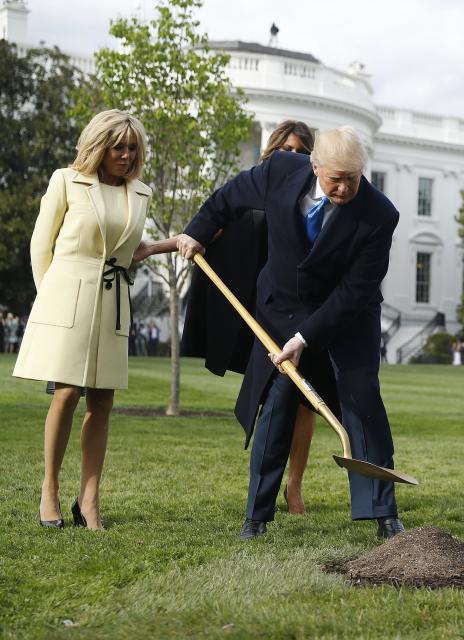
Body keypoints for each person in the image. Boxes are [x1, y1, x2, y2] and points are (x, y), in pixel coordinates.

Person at [176, 125, 405, 541]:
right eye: (335, 178)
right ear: (314, 165)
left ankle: (383, 513)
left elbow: (355, 292)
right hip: (281, 310)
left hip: (347, 318)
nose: (344, 187)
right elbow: (228, 197)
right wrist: (197, 230)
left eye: (353, 178)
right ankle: (256, 516)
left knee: (361, 399)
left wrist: (306, 338)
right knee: (278, 403)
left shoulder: (379, 214)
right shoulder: (280, 170)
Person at [12, 109, 161, 530]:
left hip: (114, 301)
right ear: (99, 145)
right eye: (118, 147)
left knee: (103, 401)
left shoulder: (141, 193)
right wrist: (53, 302)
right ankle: (49, 490)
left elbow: (129, 250)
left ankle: (89, 500)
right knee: (67, 393)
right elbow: (41, 247)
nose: (127, 155)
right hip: (66, 300)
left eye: (133, 148)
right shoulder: (65, 181)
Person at [180, 120, 326, 516]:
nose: (291, 157)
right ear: (271, 150)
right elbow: (214, 220)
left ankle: (293, 486)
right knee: (272, 397)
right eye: (285, 149)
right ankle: (264, 488)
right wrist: (182, 238)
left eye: (301, 151)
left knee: (303, 400)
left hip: (298, 308)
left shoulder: (316, 199)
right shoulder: (255, 186)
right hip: (257, 307)